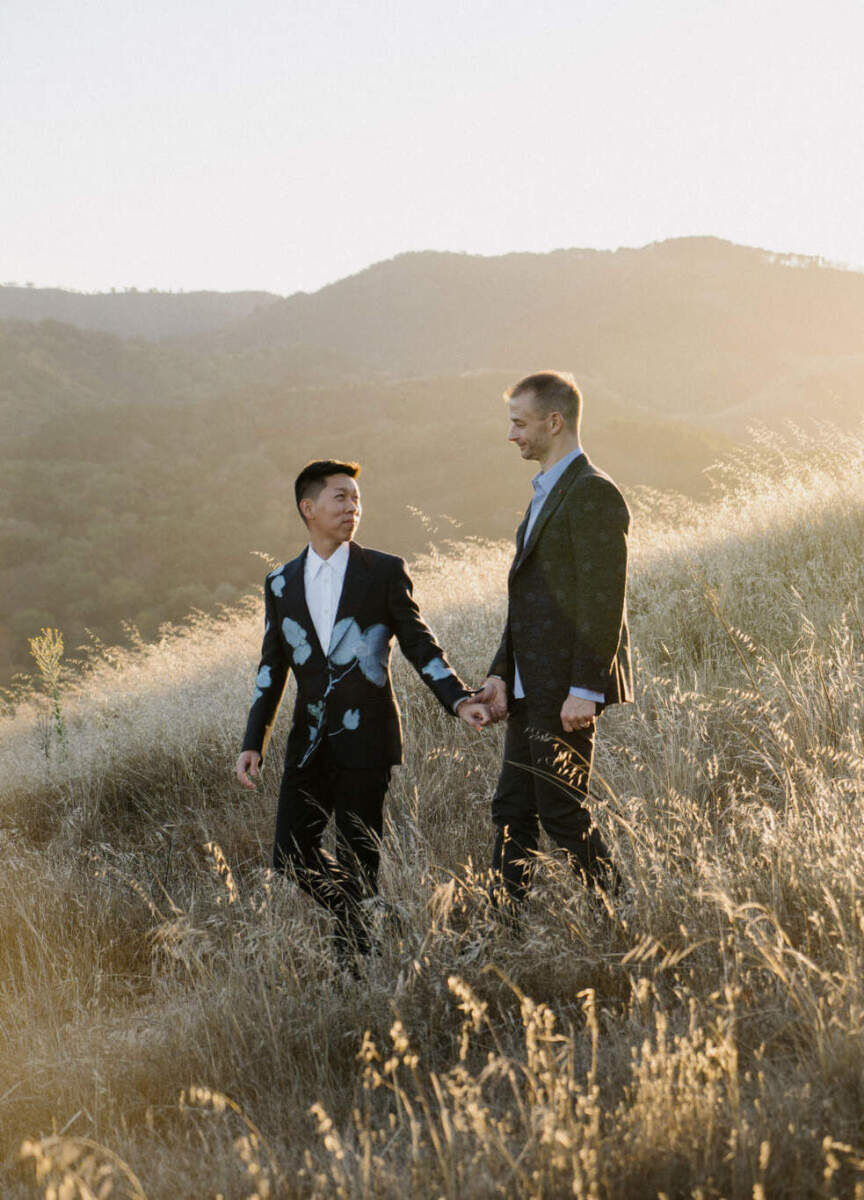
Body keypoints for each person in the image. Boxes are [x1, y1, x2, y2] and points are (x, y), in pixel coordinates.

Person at [235, 459, 489, 967]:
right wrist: (252, 740)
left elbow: (419, 643)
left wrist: (458, 698)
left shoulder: (383, 571)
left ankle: (355, 965)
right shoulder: (280, 583)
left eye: (356, 499)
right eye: (340, 497)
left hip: (367, 736)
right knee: (289, 855)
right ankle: (372, 917)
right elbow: (272, 667)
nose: (353, 507)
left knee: (357, 857)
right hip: (307, 740)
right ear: (308, 508)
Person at [474, 372, 633, 912]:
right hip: (528, 686)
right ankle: (505, 927)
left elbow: (603, 598)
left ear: (554, 421)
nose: (512, 434)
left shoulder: (592, 492)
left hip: (565, 688)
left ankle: (622, 915)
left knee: (562, 813)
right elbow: (526, 601)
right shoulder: (545, 494)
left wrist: (587, 687)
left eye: (519, 422)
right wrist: (499, 673)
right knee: (512, 810)